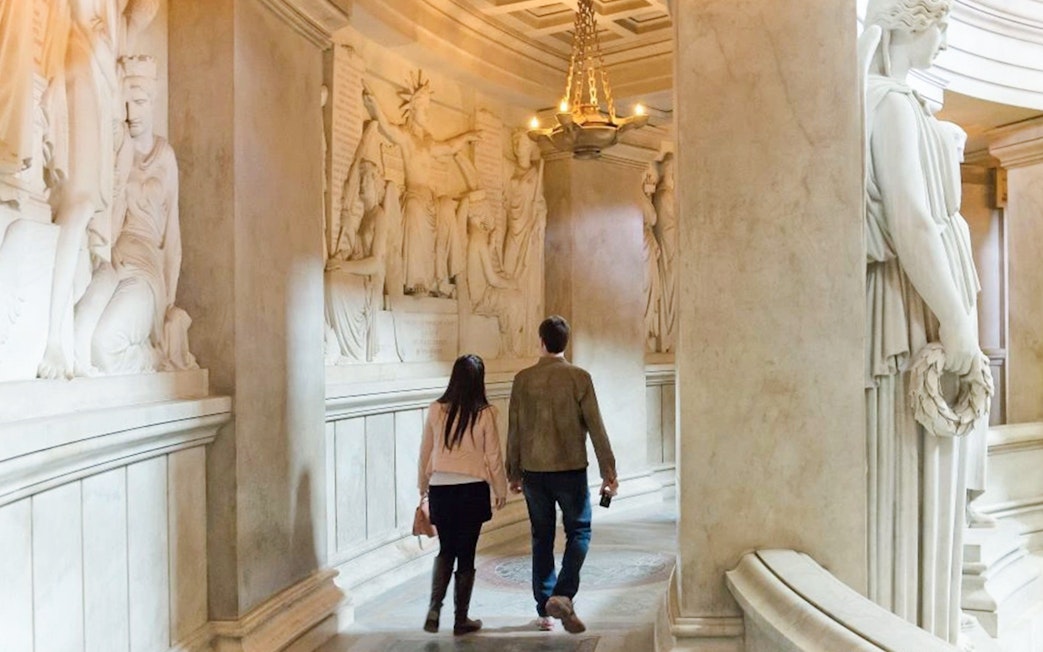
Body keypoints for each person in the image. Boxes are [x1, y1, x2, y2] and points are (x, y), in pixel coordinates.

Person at [861, 0, 989, 642]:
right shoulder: (890, 103)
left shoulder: (893, 100)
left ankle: (925, 613)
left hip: (919, 301)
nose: (946, 39)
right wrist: (956, 318)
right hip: (915, 310)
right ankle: (910, 621)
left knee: (922, 470)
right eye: (943, 25)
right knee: (910, 469)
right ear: (918, 24)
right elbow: (911, 220)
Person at [506, 315, 618, 633]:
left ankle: (546, 606)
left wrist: (513, 471)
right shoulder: (579, 377)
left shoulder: (522, 379)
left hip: (534, 471)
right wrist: (608, 471)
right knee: (579, 532)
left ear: (541, 341)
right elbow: (596, 427)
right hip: (570, 470)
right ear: (565, 343)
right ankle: (564, 594)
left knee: (541, 537)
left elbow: (514, 430)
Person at [417, 354, 508, 635]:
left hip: (441, 488)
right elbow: (493, 455)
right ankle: (461, 619)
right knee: (466, 554)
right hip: (472, 490)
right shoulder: (485, 413)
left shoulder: (435, 410)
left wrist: (423, 486)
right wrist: (500, 488)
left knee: (446, 549)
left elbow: (425, 452)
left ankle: (434, 608)